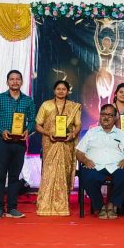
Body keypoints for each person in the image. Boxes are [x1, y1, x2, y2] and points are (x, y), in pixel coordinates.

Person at [0, 70, 36, 219]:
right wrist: (1, 131)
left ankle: (12, 208)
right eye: (12, 79)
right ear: (7, 82)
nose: (15, 82)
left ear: (22, 82)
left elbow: (33, 120)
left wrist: (28, 130)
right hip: (2, 142)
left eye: (18, 79)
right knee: (0, 176)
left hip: (19, 143)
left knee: (15, 177)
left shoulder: (28, 100)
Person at [75, 104, 124, 219]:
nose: (106, 117)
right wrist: (85, 160)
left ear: (115, 118)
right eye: (103, 114)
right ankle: (100, 206)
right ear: (100, 116)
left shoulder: (122, 134)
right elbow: (79, 152)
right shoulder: (91, 132)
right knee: (88, 177)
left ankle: (112, 205)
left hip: (116, 166)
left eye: (110, 115)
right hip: (94, 166)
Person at [34, 80, 82, 216]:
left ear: (67, 91)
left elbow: (78, 125)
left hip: (67, 144)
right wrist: (48, 133)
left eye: (64, 89)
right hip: (50, 143)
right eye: (58, 89)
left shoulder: (73, 107)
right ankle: (45, 206)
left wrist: (73, 134)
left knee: (64, 174)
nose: (61, 91)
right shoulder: (46, 105)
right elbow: (38, 125)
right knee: (48, 174)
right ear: (54, 90)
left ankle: (61, 206)